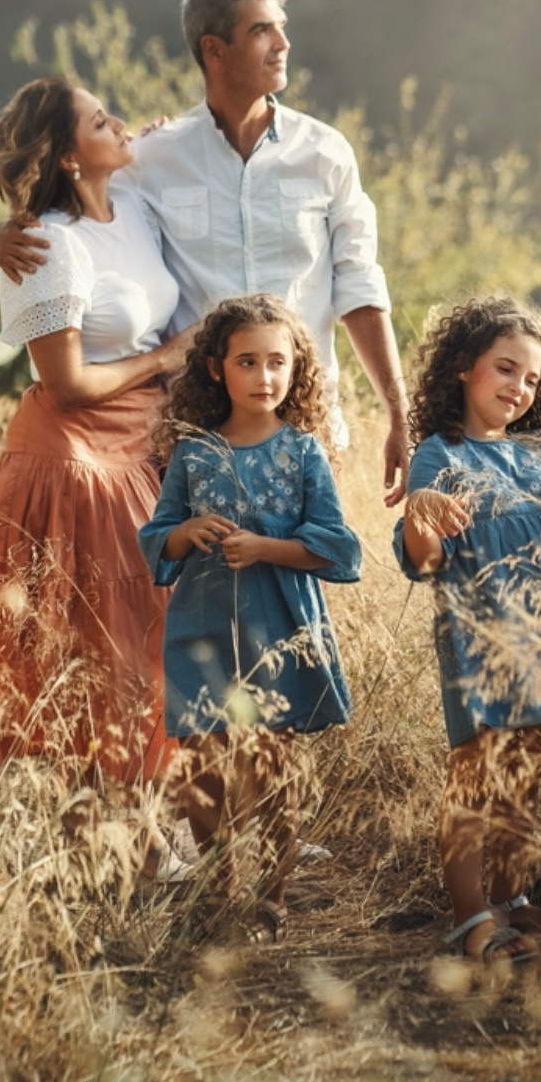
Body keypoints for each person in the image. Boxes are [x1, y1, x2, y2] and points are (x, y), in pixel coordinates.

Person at [0, 78, 193, 840]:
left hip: (140, 446)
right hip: (76, 455)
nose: (116, 120)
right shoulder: (45, 244)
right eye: (97, 118)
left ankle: (148, 827)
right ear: (64, 153)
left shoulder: (137, 204)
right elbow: (69, 383)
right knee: (100, 648)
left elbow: (192, 133)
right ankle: (116, 841)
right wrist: (169, 358)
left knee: (155, 636)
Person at [0, 0, 410, 504]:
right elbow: (67, 194)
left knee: (298, 578)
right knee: (194, 586)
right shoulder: (150, 158)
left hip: (304, 422)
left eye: (282, 27)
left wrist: (398, 414)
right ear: (214, 49)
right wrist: (5, 231)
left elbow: (360, 286)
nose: (284, 44)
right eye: (262, 30)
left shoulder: (326, 153)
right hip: (193, 432)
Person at [392, 296, 541, 966]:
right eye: (506, 368)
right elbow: (427, 560)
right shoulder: (439, 455)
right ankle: (470, 916)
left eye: (532, 379)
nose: (519, 388)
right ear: (464, 367)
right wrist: (419, 514)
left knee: (526, 776)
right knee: (473, 774)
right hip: (477, 640)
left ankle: (512, 892)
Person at [137, 294, 361, 942]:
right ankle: (217, 889)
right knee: (204, 769)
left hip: (279, 632)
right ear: (216, 369)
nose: (264, 377)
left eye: (277, 363)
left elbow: (338, 546)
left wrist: (267, 548)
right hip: (201, 628)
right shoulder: (194, 454)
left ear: (296, 370)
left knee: (271, 773)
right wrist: (188, 532)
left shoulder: (302, 453)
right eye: (247, 362)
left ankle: (271, 898)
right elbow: (157, 539)